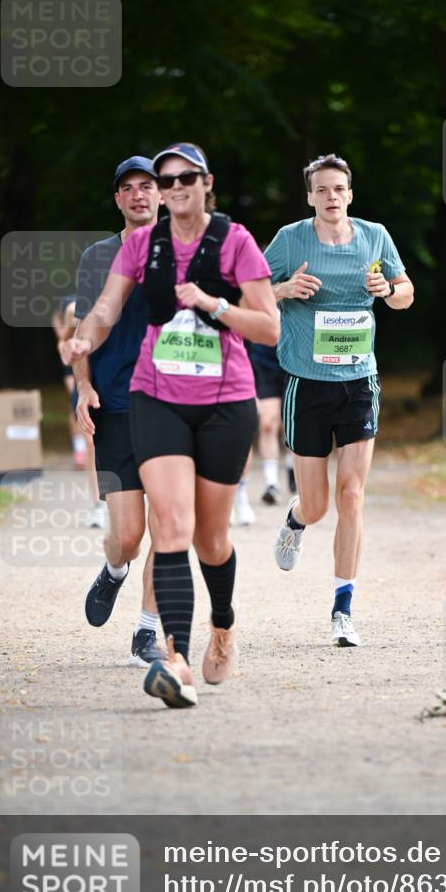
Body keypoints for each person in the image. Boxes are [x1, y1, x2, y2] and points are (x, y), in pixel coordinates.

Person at [63, 142, 279, 709]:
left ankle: (221, 626)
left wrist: (214, 304)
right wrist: (84, 346)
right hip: (144, 398)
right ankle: (173, 657)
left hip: (220, 401)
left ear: (205, 182)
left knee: (208, 538)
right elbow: (103, 310)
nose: (170, 187)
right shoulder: (136, 246)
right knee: (162, 529)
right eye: (163, 179)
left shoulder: (234, 242)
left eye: (184, 178)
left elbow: (268, 327)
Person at [265, 153, 413, 647]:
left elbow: (406, 294)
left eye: (340, 189)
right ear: (310, 196)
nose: (332, 197)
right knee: (318, 504)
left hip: (358, 381)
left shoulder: (374, 235)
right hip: (306, 383)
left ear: (350, 194)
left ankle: (342, 610)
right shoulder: (290, 239)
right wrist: (284, 288)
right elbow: (249, 293)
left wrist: (388, 288)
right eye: (323, 190)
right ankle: (295, 520)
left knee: (352, 494)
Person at [66, 156, 163, 666]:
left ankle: (146, 633)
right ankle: (115, 569)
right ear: (118, 200)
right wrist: (82, 387)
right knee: (128, 536)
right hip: (116, 405)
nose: (139, 195)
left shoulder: (185, 251)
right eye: (128, 188)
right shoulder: (98, 256)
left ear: (163, 194)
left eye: (147, 186)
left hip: (172, 405)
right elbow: (84, 328)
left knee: (170, 526)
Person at [52, 295, 106, 528]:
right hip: (85, 382)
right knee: (91, 444)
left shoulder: (114, 302)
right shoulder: (74, 311)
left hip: (111, 379)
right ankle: (99, 505)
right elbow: (63, 343)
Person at [232, 342, 297, 526]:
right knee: (268, 423)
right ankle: (272, 484)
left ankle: (293, 469)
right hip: (264, 364)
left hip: (295, 363)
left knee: (292, 421)